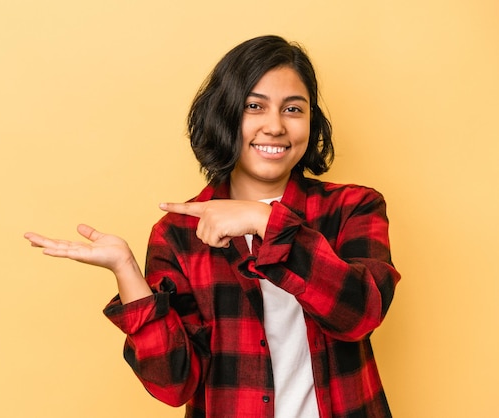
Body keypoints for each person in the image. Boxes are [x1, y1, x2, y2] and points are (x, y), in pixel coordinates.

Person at [24, 35, 400, 418]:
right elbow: (174, 384)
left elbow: (360, 315)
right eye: (254, 106)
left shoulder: (354, 207)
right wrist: (128, 274)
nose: (274, 126)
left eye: (293, 109)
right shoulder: (177, 235)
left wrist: (265, 220)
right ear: (225, 114)